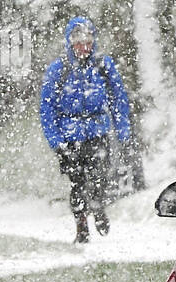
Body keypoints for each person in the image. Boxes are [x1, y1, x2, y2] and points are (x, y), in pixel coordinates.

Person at [39, 15, 133, 243]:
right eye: (78, 41)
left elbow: (118, 98)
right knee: (77, 182)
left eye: (88, 40)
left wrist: (123, 130)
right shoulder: (58, 70)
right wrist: (56, 141)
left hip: (97, 131)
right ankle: (81, 226)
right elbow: (47, 108)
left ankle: (98, 207)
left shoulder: (103, 66)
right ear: (70, 43)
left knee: (99, 176)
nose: (84, 47)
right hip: (69, 137)